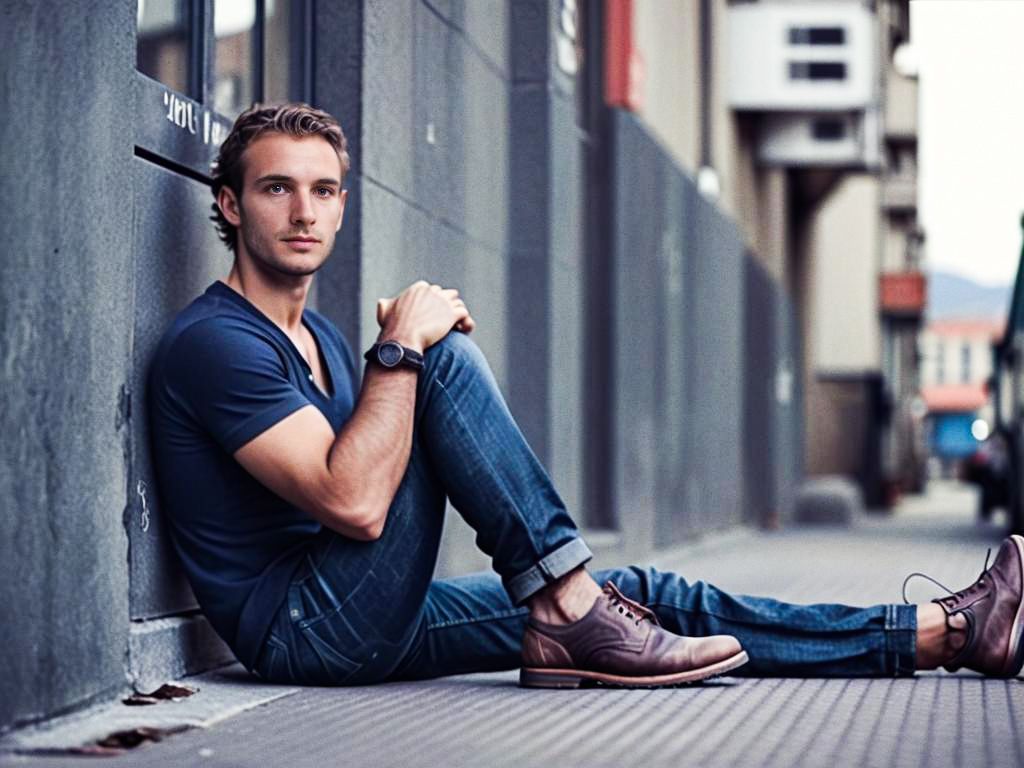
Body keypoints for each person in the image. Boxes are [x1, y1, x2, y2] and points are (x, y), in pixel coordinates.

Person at [148, 103, 1024, 689]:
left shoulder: (322, 338)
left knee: (636, 590)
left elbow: (363, 482)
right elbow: (354, 502)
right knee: (436, 358)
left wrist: (391, 353)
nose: (303, 210)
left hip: (373, 608)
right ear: (229, 204)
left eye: (323, 190)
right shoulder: (216, 343)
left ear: (341, 209)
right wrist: (401, 350)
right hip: (304, 632)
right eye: (276, 188)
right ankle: (567, 605)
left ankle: (938, 632)